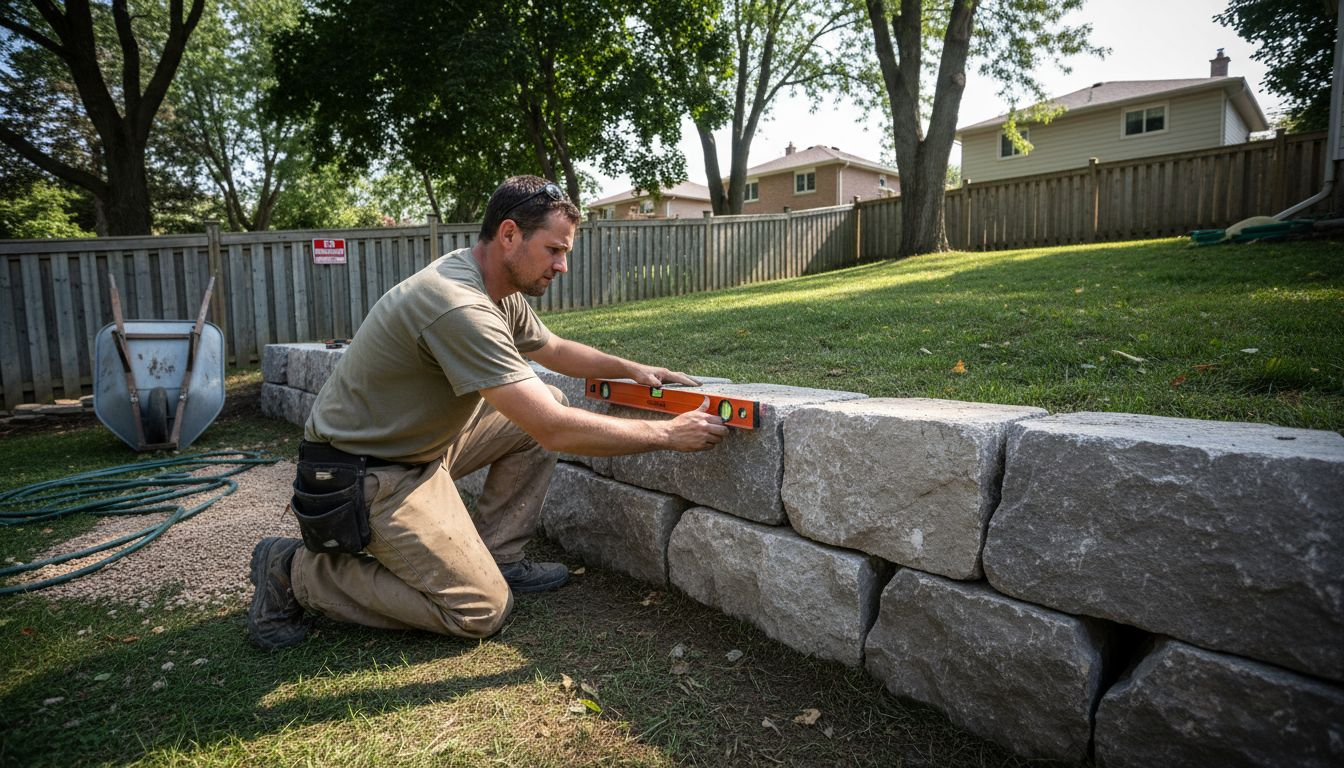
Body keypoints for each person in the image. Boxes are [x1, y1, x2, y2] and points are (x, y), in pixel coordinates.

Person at [247, 175, 728, 650]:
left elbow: (552, 348)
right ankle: (294, 569)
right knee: (479, 610)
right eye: (554, 250)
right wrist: (669, 435)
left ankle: (501, 557)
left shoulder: (496, 287)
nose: (562, 265)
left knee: (547, 401)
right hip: (365, 476)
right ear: (510, 234)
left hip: (415, 449)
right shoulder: (459, 305)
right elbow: (553, 430)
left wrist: (630, 368)